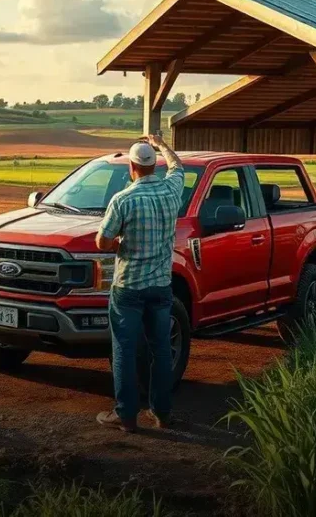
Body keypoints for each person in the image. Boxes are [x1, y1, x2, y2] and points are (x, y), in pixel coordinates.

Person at [95, 132, 184, 433]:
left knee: (124, 350)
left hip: (129, 288)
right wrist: (162, 144)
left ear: (131, 168)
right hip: (160, 286)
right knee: (160, 351)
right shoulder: (173, 190)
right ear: (154, 165)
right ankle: (162, 413)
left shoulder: (123, 200)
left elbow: (103, 242)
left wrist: (118, 241)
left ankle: (127, 416)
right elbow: (178, 166)